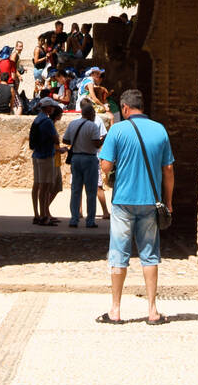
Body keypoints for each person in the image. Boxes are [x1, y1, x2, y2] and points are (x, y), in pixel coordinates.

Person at [97, 89, 174, 326]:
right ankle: (152, 310)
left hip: (123, 202)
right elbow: (168, 170)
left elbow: (106, 166)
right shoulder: (160, 130)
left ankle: (116, 310)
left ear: (125, 108)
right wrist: (168, 202)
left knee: (118, 253)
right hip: (150, 201)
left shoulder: (118, 130)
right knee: (149, 255)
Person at [64, 99, 106, 228]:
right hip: (90, 158)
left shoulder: (73, 124)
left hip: (76, 158)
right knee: (91, 191)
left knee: (75, 190)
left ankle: (74, 219)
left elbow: (65, 140)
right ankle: (90, 220)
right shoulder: (93, 126)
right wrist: (103, 139)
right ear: (91, 114)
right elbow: (96, 143)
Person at [29, 97, 61, 225]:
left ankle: (37, 214)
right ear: (47, 108)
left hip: (37, 154)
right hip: (46, 156)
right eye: (51, 106)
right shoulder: (47, 121)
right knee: (45, 186)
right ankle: (44, 216)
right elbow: (56, 139)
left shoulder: (37, 120)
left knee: (37, 185)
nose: (53, 109)